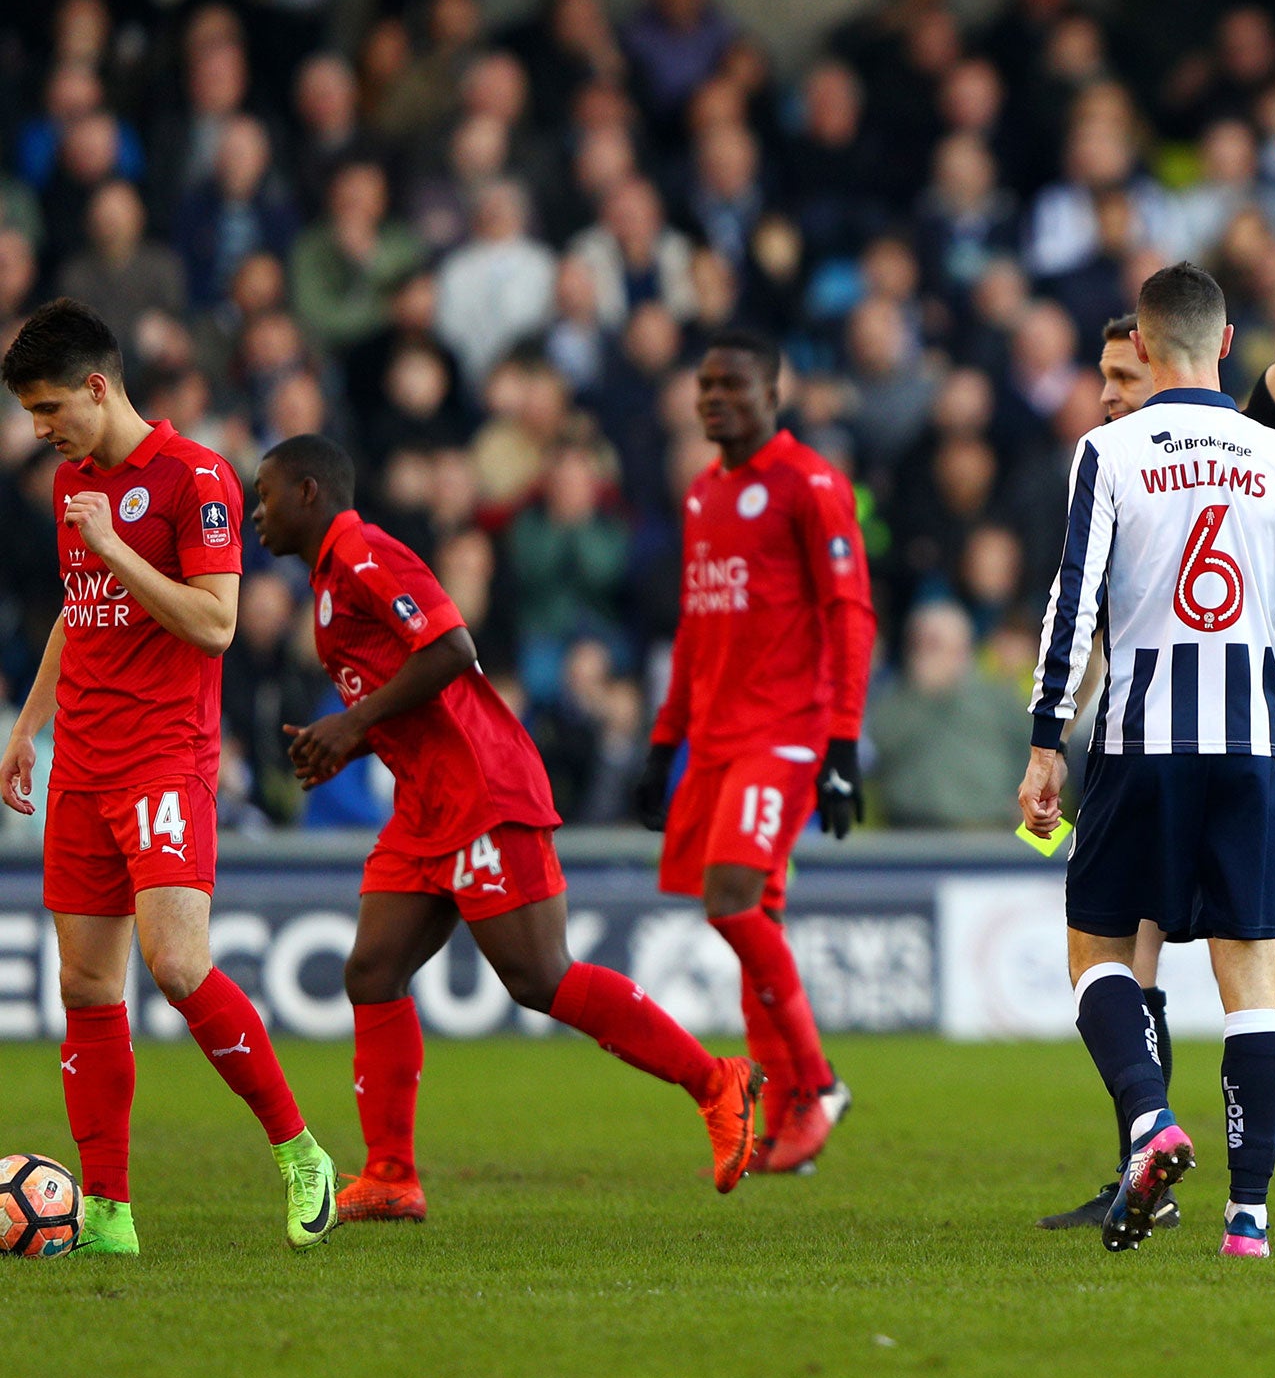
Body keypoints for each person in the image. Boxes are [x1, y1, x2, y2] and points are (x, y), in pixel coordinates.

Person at [249, 433, 761, 1216]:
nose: (257, 514)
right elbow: (402, 685)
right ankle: (390, 1176)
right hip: (426, 803)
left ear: (311, 493)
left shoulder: (362, 552)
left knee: (539, 978)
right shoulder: (325, 579)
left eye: (267, 494)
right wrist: (354, 742)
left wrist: (351, 727)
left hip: (483, 788)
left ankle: (715, 1080)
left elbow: (452, 648)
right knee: (371, 972)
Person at [1037, 163, 1275, 1235]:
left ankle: (1176, 1132)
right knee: (1236, 968)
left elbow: (1071, 603)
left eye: (1118, 367)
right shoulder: (1269, 459)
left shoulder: (1119, 453)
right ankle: (1236, 1209)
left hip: (1148, 736)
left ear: (1147, 350)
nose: (1107, 388)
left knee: (1129, 953)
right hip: (1247, 742)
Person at [0, 298, 338, 1256]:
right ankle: (107, 1211)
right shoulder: (76, 485)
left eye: (48, 407)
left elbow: (216, 623)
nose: (39, 429)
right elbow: (81, 610)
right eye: (30, 414)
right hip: (83, 766)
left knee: (177, 964)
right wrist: (29, 729)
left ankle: (300, 1152)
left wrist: (112, 546)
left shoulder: (198, 478)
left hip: (162, 760)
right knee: (87, 987)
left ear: (98, 388)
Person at [634, 331, 875, 1174]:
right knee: (752, 917)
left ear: (774, 392)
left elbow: (851, 614)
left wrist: (842, 741)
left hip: (787, 731)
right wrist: (662, 740)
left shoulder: (810, 484)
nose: (712, 399)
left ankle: (818, 1084)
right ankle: (785, 1126)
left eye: (731, 385)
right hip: (715, 738)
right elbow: (697, 625)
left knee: (732, 900)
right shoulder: (702, 493)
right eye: (703, 386)